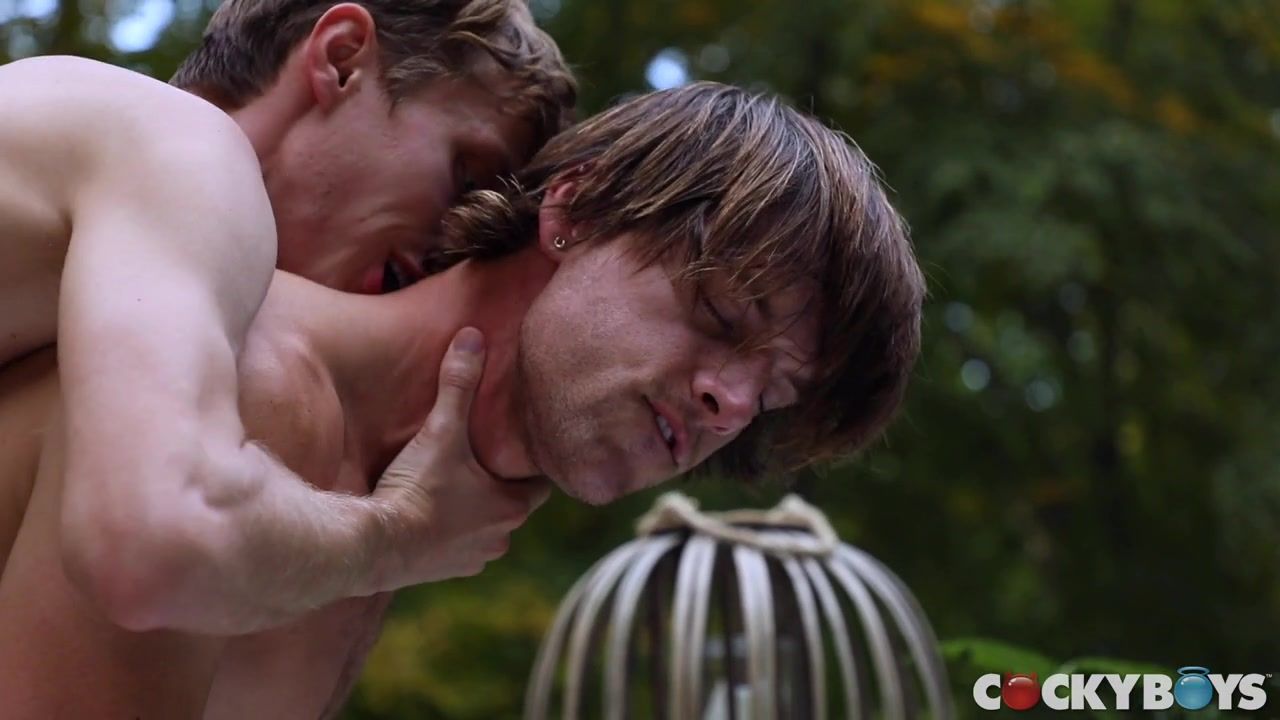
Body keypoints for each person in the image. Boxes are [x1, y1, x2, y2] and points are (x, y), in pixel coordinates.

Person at [0, 82, 926, 718]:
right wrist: (389, 539)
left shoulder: (395, 513)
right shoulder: (255, 388)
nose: (732, 403)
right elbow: (144, 556)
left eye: (774, 395)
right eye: (721, 313)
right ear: (573, 212)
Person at [0, 0, 576, 636]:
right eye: (464, 175)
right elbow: (146, 541)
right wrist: (403, 535)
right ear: (342, 58)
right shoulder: (183, 148)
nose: (449, 245)